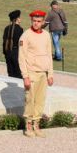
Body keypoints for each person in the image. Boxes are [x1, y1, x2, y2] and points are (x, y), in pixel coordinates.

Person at [19, 10, 54, 138]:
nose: (36, 23)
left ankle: (37, 124)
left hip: (43, 73)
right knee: (30, 100)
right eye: (34, 21)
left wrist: (50, 74)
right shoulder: (25, 36)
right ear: (31, 21)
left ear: (43, 22)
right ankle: (28, 125)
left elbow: (49, 55)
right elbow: (21, 57)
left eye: (39, 21)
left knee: (40, 100)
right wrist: (25, 76)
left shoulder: (46, 35)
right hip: (31, 72)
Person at [2, 10, 24, 78]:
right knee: (18, 74)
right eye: (19, 17)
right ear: (17, 19)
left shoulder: (6, 28)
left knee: (10, 74)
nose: (20, 19)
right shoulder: (20, 29)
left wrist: (5, 53)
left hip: (8, 52)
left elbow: (4, 42)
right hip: (16, 53)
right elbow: (21, 43)